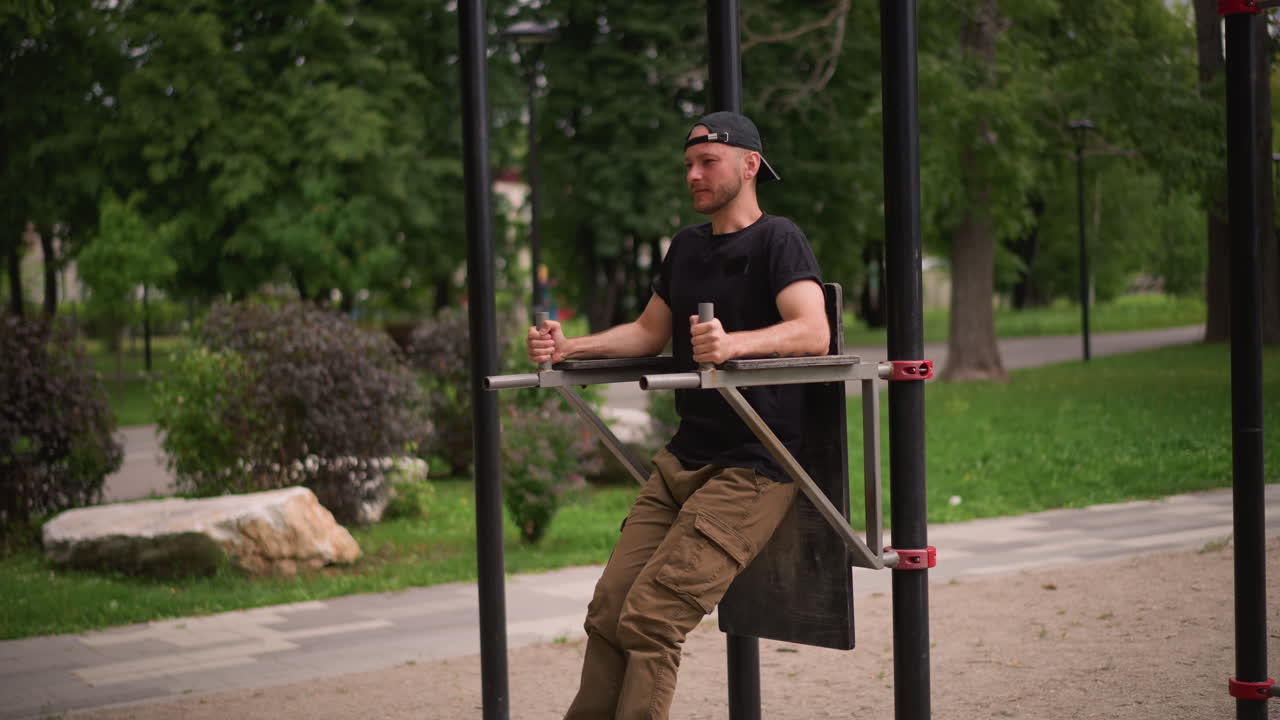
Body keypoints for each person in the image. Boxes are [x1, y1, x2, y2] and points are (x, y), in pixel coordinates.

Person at [525, 111, 830, 720]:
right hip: (684, 460)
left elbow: (813, 331)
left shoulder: (779, 239)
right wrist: (570, 347)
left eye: (707, 162)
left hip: (754, 467)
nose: (693, 174)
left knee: (651, 619)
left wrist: (734, 344)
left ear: (750, 165)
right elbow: (647, 332)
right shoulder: (687, 246)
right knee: (609, 611)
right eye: (688, 164)